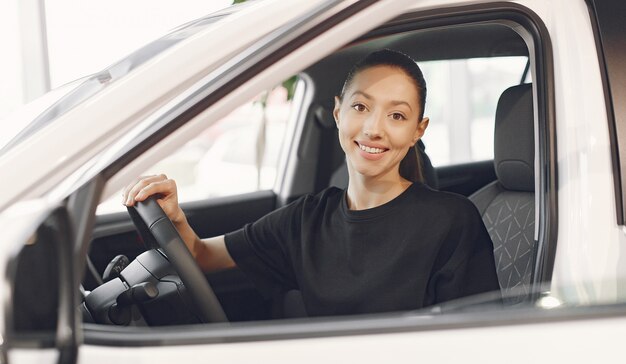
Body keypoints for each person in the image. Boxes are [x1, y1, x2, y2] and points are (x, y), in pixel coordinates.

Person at [123, 49, 500, 317]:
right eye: (360, 107)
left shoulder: (450, 221)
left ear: (418, 130)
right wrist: (174, 216)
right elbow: (202, 257)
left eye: (397, 115)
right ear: (338, 112)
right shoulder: (305, 220)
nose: (374, 129)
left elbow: (477, 340)